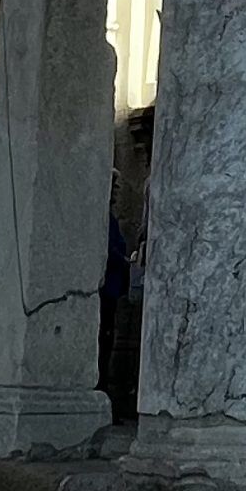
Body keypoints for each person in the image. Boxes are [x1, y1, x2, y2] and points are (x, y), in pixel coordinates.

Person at [98, 171, 130, 404]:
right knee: (103, 339)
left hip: (110, 286)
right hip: (105, 286)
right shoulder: (103, 218)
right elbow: (108, 249)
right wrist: (125, 260)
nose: (118, 191)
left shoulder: (107, 217)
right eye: (115, 187)